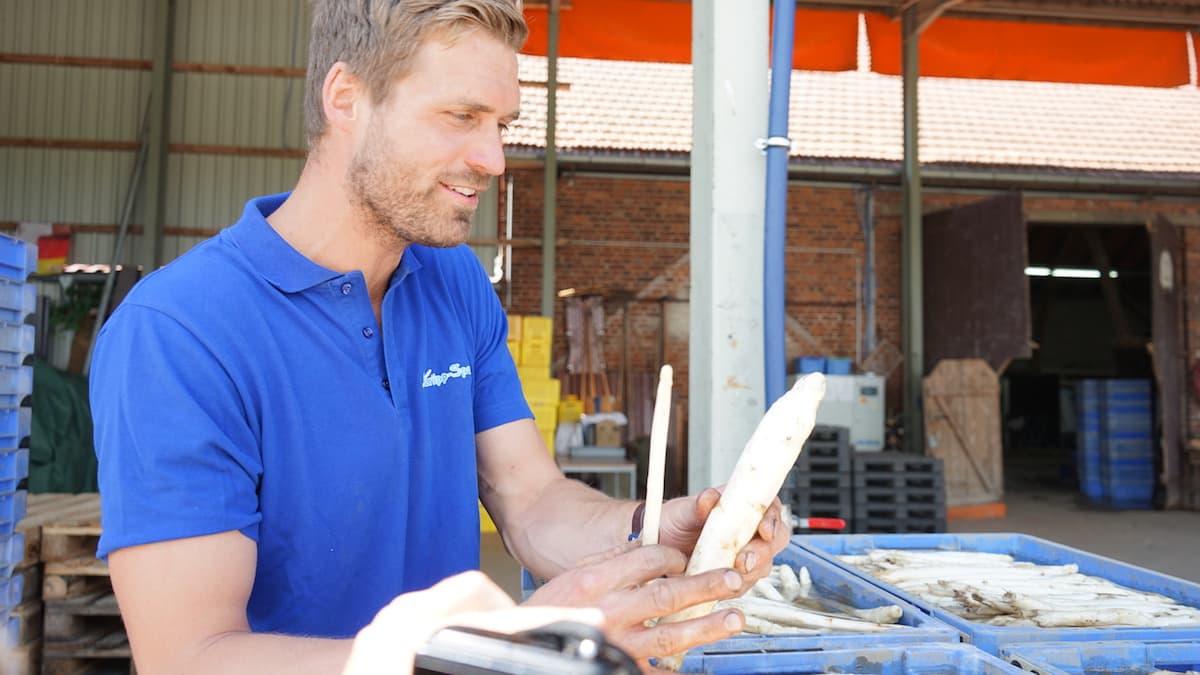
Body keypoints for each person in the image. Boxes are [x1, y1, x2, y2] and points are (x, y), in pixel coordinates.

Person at [88, 1, 790, 673]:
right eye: (461, 116)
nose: (494, 159)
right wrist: (492, 651)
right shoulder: (179, 336)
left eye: (501, 125)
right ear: (346, 98)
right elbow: (190, 658)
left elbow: (531, 500)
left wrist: (650, 527)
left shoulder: (452, 282)